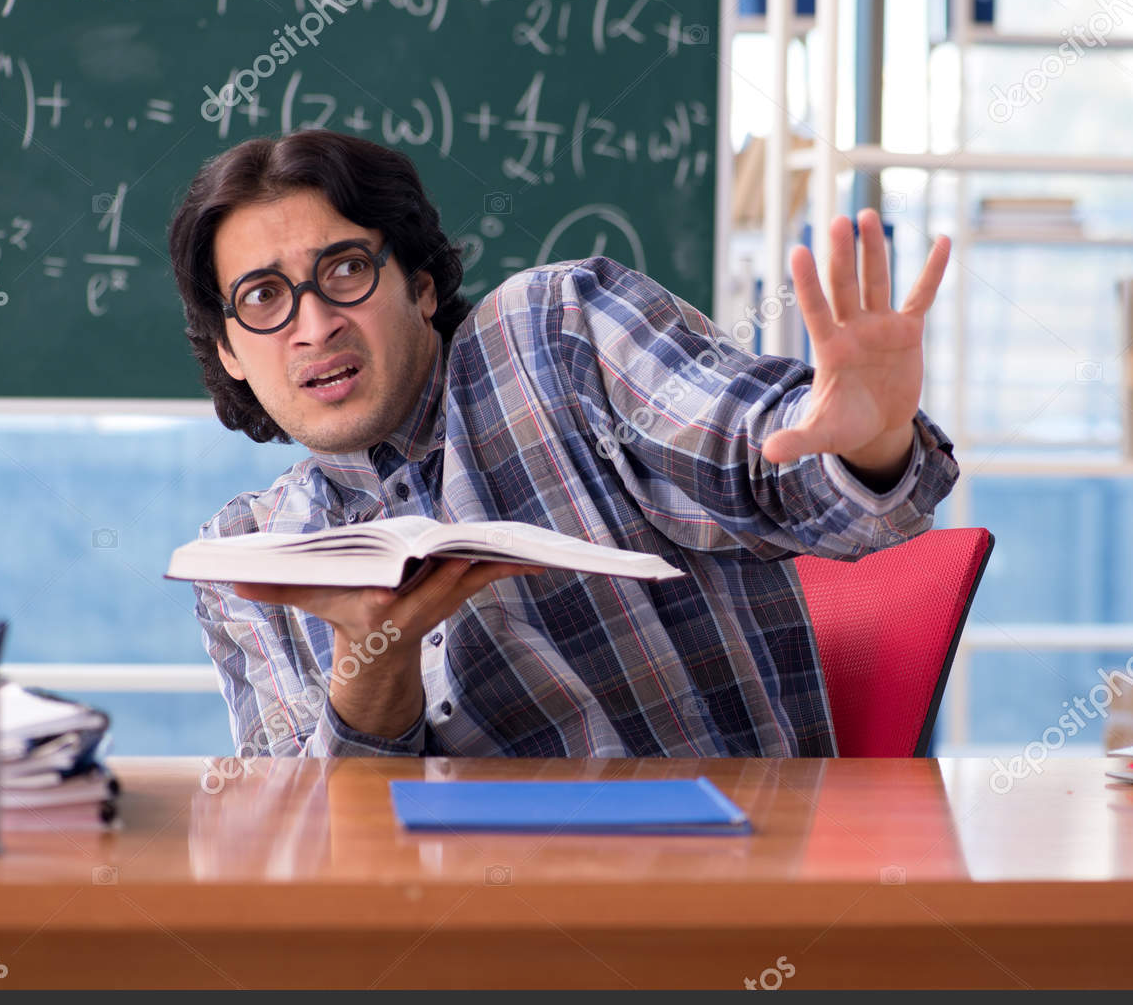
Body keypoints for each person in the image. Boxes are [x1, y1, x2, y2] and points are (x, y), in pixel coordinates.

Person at [169, 130, 958, 757]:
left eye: (344, 270)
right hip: (446, 945)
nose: (315, 325)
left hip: (719, 907)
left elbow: (757, 455)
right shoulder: (246, 555)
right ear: (231, 352)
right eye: (263, 297)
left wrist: (863, 445)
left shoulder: (552, 330)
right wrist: (374, 660)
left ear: (420, 285)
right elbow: (305, 850)